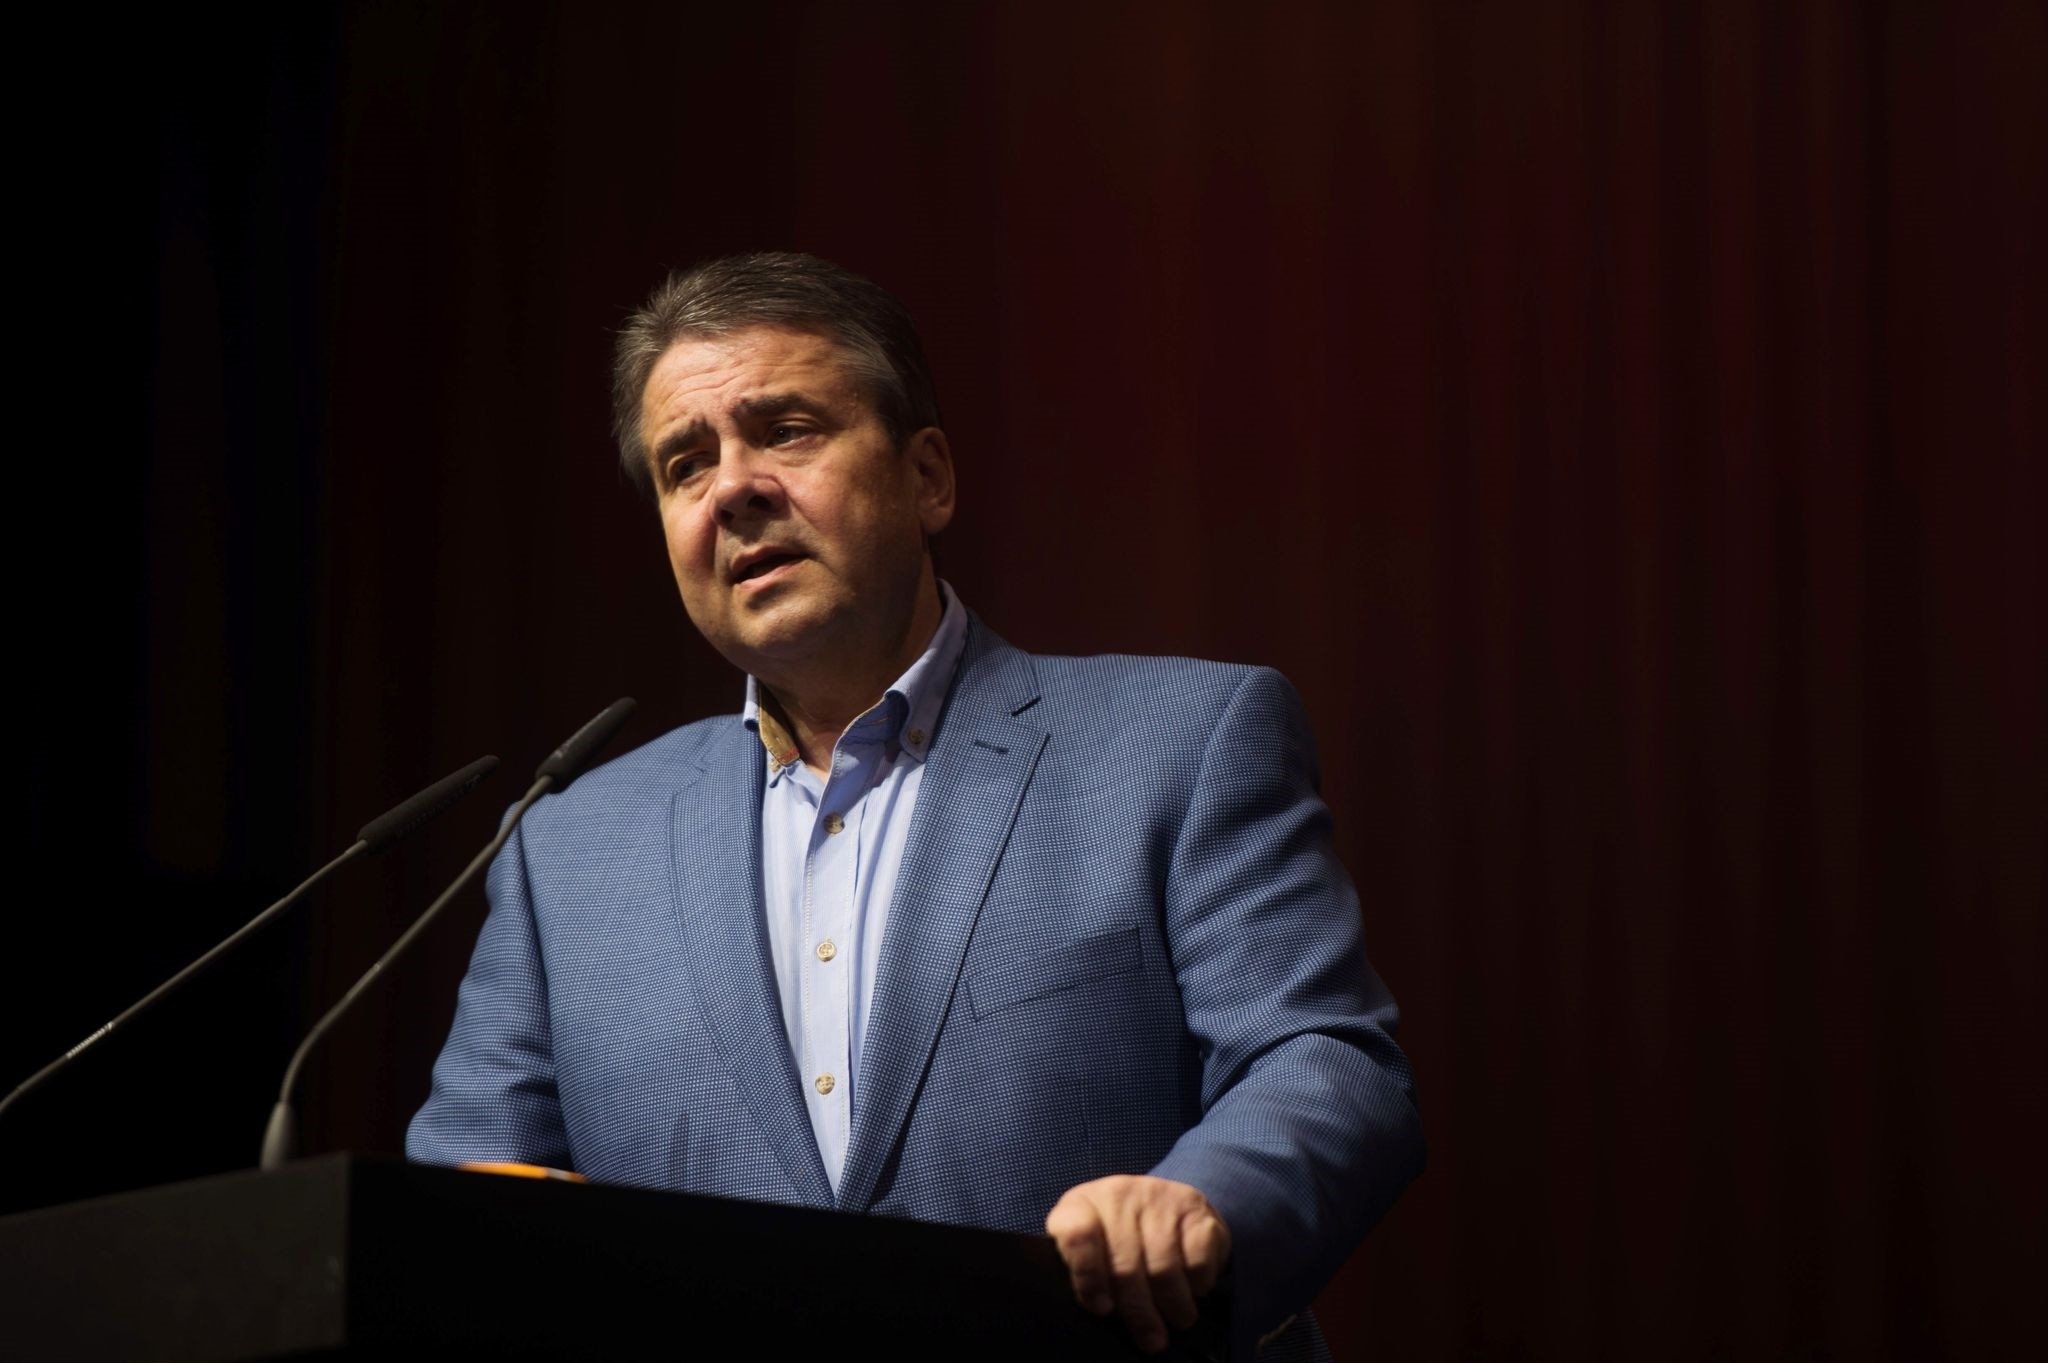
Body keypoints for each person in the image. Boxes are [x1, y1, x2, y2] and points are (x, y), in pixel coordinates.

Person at [408, 252, 1423, 1359]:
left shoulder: (1178, 743)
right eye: (684, 464)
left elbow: (1324, 1062)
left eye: (786, 429)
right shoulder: (567, 850)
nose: (733, 487)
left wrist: (1204, 1200)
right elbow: (462, 1198)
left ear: (927, 477)